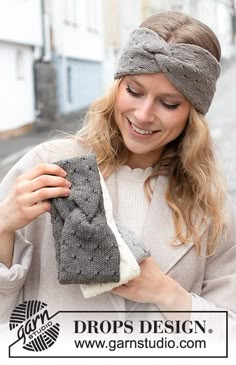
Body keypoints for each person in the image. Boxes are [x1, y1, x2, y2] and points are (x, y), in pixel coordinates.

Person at [0, 11, 235, 342]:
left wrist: (170, 295)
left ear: (193, 115)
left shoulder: (210, 204)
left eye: (168, 103)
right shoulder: (48, 167)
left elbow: (229, 333)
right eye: (134, 91)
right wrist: (2, 228)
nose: (143, 114)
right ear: (117, 86)